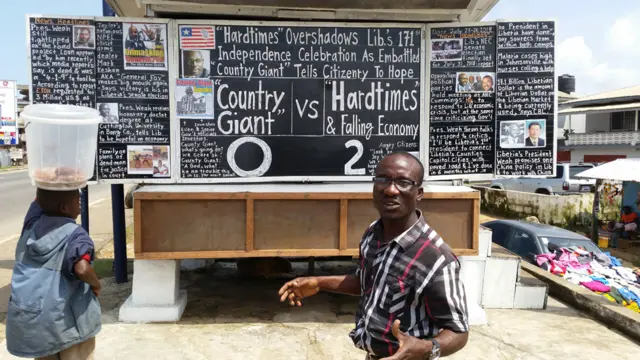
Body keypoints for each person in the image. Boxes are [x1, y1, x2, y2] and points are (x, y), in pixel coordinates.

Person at [278, 152, 469, 360]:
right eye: (383, 179)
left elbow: (458, 331)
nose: (390, 189)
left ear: (419, 193)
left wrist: (425, 348)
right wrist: (318, 282)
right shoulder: (372, 234)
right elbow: (368, 282)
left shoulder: (436, 258)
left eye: (403, 182)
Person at [6, 188, 101, 359]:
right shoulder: (76, 235)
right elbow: (82, 269)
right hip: (68, 326)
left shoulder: (31, 224)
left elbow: (40, 198)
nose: (80, 203)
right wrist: (96, 284)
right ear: (64, 208)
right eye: (77, 200)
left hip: (34, 322)